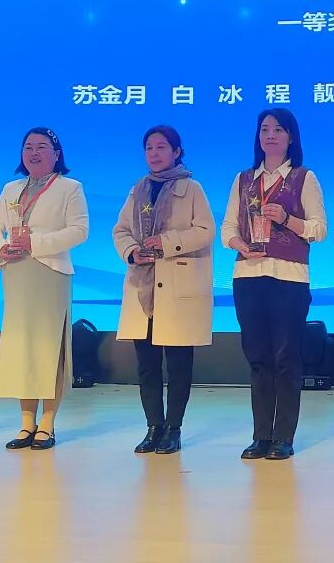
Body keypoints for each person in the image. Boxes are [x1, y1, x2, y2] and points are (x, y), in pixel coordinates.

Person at [221, 108, 327, 461]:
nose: (270, 135)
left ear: (290, 137)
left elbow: (319, 229)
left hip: (289, 277)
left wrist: (286, 218)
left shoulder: (303, 178)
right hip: (248, 276)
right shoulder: (244, 180)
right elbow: (227, 228)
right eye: (264, 129)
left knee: (286, 358)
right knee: (258, 358)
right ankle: (261, 435)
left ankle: (283, 436)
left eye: (278, 130)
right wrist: (240, 245)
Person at [0, 127, 89, 451]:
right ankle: (26, 422)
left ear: (56, 154)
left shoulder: (70, 187)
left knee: (48, 348)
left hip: (50, 272)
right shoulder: (11, 188)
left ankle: (47, 423)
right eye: (28, 147)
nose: (34, 153)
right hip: (16, 273)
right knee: (22, 347)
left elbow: (79, 230)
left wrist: (36, 243)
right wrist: (0, 248)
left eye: (42, 147)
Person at [113, 125, 215, 455]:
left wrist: (167, 242)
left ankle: (174, 428)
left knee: (178, 364)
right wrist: (132, 251)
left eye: (161, 147)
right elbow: (121, 230)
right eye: (149, 148)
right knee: (147, 365)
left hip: (177, 285)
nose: (154, 153)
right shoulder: (138, 189)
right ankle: (153, 427)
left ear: (176, 152)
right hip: (143, 287)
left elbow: (205, 230)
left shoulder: (191, 188)